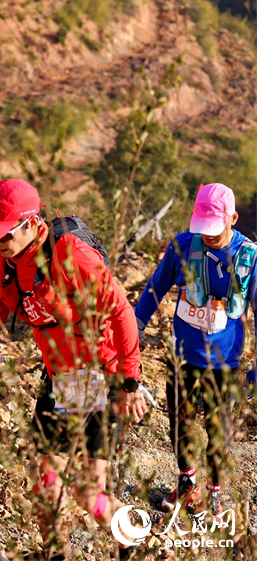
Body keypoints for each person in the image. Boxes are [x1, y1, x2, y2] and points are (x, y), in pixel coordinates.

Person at [0, 179, 147, 560]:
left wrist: (130, 381)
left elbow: (121, 310)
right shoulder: (5, 264)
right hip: (63, 378)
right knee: (56, 482)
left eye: (4, 234)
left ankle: (129, 544)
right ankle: (65, 553)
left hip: (99, 375)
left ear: (32, 224)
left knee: (81, 490)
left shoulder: (71, 254)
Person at [133, 183, 256, 522]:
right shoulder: (184, 245)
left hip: (225, 362)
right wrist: (136, 325)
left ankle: (214, 496)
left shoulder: (248, 257)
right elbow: (155, 287)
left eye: (215, 228)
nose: (208, 236)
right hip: (183, 356)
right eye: (203, 227)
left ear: (233, 218)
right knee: (180, 423)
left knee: (218, 431)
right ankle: (187, 483)